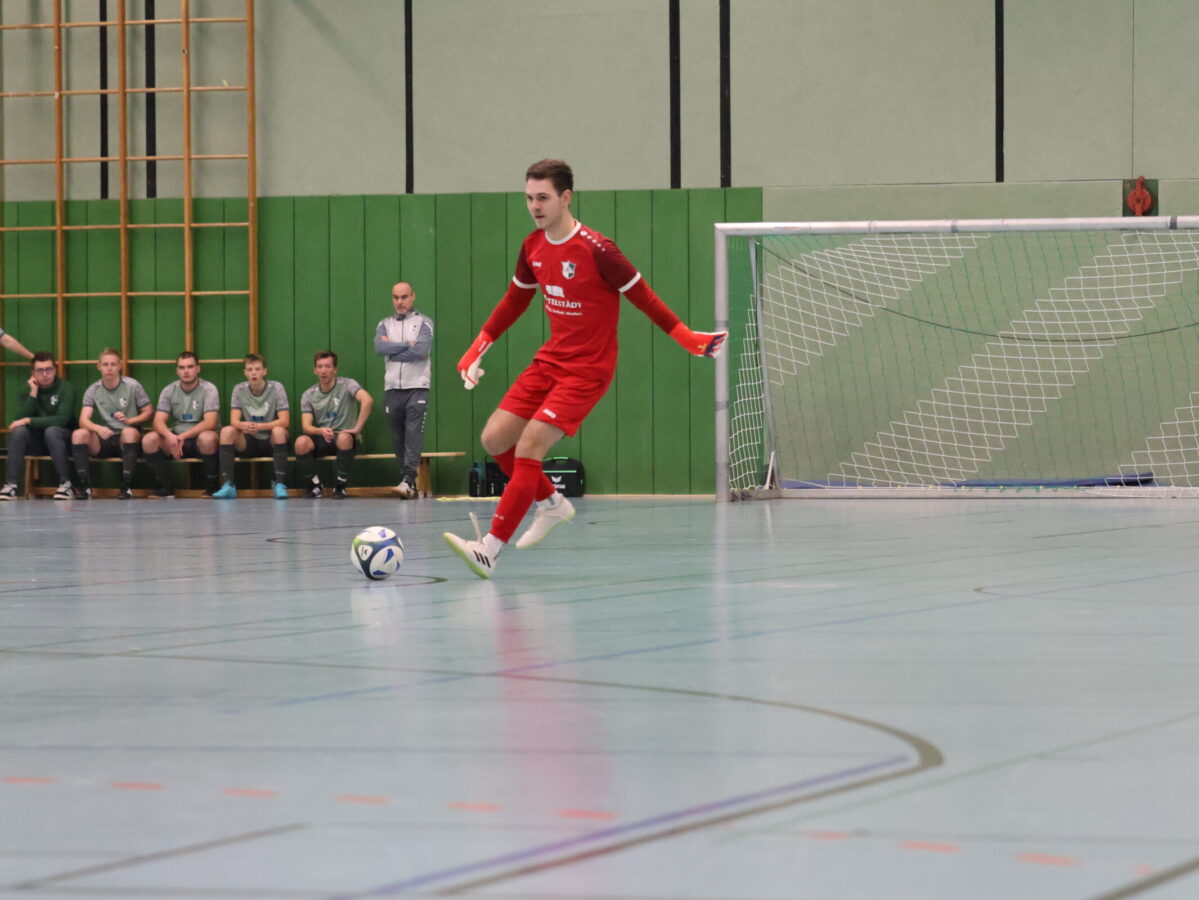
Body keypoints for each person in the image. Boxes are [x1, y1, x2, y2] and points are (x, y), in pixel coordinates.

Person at [442, 159, 726, 578]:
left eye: (543, 198)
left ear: (566, 198)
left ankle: (490, 548)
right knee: (495, 439)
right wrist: (477, 347)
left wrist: (685, 336)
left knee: (529, 447)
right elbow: (515, 300)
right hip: (551, 359)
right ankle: (552, 504)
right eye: (529, 198)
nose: (534, 206)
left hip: (588, 370)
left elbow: (644, 297)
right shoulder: (532, 246)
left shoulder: (599, 250)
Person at [373, 281, 433, 499]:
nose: (400, 301)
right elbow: (380, 347)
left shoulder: (424, 322)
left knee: (413, 434)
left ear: (412, 296)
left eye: (404, 297)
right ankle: (407, 481)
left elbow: (421, 351)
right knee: (398, 436)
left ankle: (408, 479)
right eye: (396, 297)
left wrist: (393, 353)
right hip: (392, 388)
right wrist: (408, 344)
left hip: (417, 386)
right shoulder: (384, 324)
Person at [70, 348, 153, 500]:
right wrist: (97, 428)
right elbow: (83, 420)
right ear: (99, 366)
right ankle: (85, 486)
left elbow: (148, 412)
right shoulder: (93, 390)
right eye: (105, 364)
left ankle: (126, 487)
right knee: (78, 434)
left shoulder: (132, 385)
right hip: (105, 438)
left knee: (129, 432)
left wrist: (130, 421)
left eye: (113, 364)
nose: (109, 368)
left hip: (127, 438)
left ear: (120, 366)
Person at [141, 350, 220, 499]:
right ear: (177, 370)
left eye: (190, 367)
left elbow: (210, 422)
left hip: (199, 439)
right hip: (177, 440)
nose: (186, 371)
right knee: (149, 439)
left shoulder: (209, 389)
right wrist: (169, 436)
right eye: (182, 367)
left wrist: (184, 435)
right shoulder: (169, 390)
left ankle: (212, 486)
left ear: (198, 368)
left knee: (207, 438)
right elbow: (158, 421)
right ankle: (166, 487)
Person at [294, 350, 373, 499]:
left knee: (343, 437)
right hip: (323, 437)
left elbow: (367, 400)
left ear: (335, 369)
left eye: (328, 366)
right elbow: (306, 426)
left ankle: (340, 486)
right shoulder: (308, 395)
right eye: (320, 366)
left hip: (346, 438)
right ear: (315, 370)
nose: (323, 371)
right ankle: (316, 486)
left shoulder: (348, 384)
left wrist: (357, 428)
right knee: (301, 442)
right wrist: (320, 431)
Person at [0, 351, 78, 500]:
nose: (45, 374)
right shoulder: (27, 390)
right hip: (37, 442)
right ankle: (10, 485)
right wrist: (33, 393)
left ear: (55, 370)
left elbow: (62, 419)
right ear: (33, 373)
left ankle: (66, 484)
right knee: (19, 431)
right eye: (40, 370)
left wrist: (29, 421)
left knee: (51, 431)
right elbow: (19, 419)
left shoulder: (66, 388)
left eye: (48, 369)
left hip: (62, 439)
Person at [211, 354, 291, 499]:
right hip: (249, 440)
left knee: (279, 431)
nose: (254, 373)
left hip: (269, 439)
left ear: (264, 371)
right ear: (245, 372)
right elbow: (234, 420)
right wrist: (243, 425)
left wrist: (261, 426)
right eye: (250, 369)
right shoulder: (239, 389)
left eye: (257, 369)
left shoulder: (276, 388)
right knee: (227, 431)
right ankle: (228, 485)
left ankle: (279, 484)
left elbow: (285, 421)